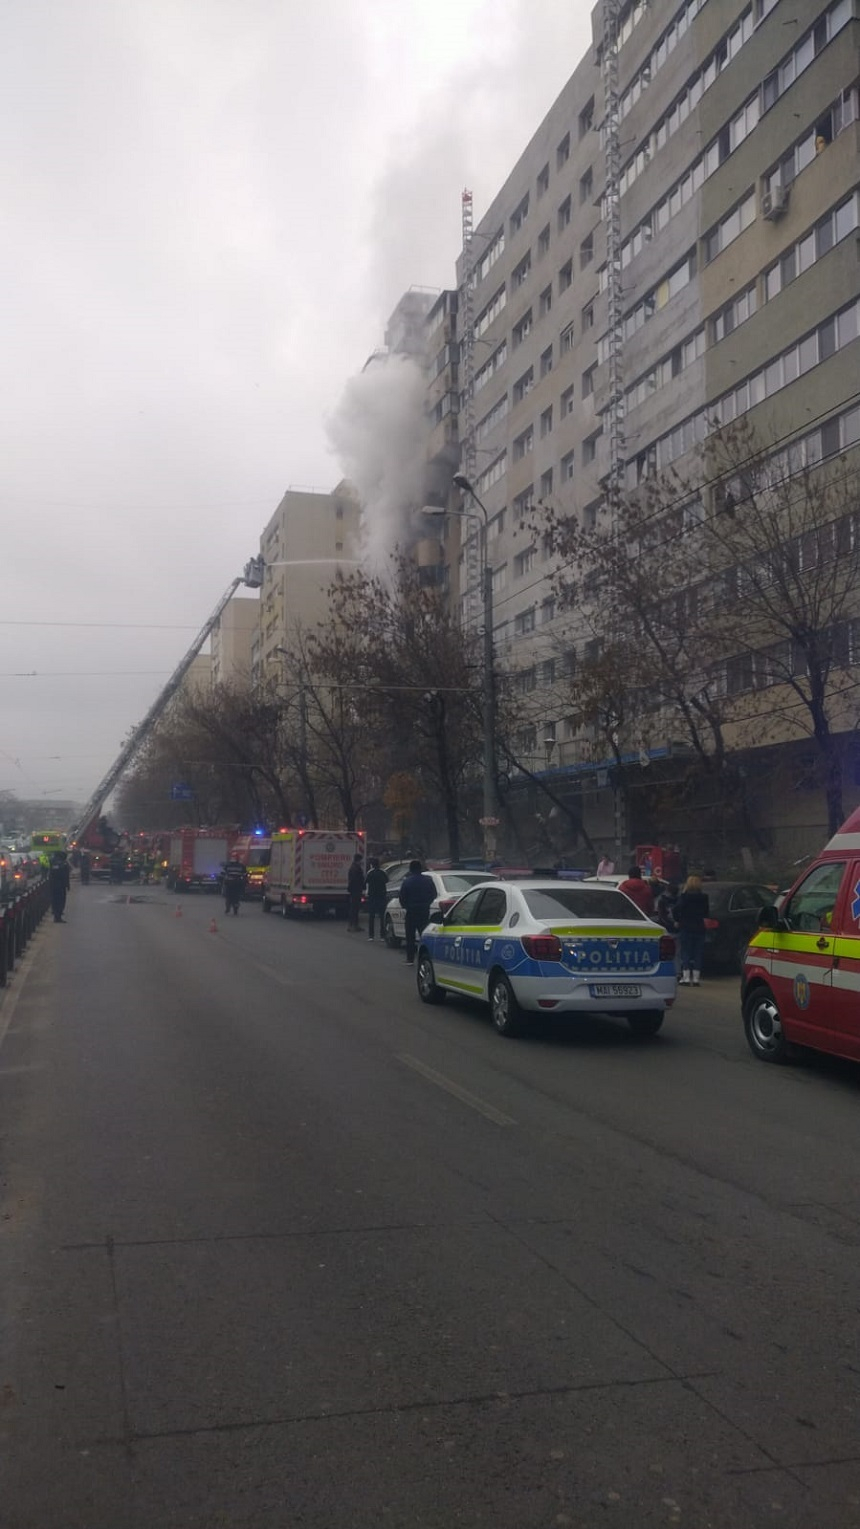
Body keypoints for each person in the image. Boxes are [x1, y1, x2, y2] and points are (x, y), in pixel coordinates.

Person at [399, 859, 436, 965]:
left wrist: (407, 906)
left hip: (411, 912)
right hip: (424, 911)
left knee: (410, 936)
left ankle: (410, 958)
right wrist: (426, 904)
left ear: (411, 869)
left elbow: (402, 897)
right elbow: (433, 894)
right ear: (420, 869)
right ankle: (427, 957)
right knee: (424, 935)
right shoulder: (428, 881)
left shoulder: (407, 882)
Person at [675, 875, 710, 986]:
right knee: (697, 953)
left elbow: (676, 909)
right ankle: (696, 979)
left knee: (685, 952)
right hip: (699, 927)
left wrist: (678, 920)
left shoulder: (684, 897)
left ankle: (685, 978)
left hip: (686, 926)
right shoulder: (704, 897)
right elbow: (706, 913)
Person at [365, 857, 389, 942]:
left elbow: (366, 882)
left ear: (372, 865)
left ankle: (371, 936)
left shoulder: (370, 873)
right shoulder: (383, 872)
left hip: (372, 897)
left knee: (371, 916)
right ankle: (382, 936)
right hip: (382, 896)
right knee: (382, 916)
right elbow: (387, 881)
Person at [49, 852, 71, 923]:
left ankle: (55, 914)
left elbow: (50, 874)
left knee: (54, 900)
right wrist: (67, 885)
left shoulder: (52, 863)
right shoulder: (64, 864)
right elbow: (66, 876)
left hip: (53, 885)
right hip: (61, 886)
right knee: (60, 901)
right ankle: (58, 917)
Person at [347, 854, 366, 931]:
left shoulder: (353, 867)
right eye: (360, 860)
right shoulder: (356, 868)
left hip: (355, 890)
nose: (361, 862)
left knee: (354, 908)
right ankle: (353, 925)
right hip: (356, 890)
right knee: (355, 908)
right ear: (358, 860)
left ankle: (353, 925)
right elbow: (355, 880)